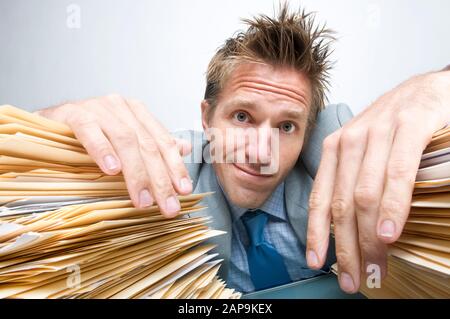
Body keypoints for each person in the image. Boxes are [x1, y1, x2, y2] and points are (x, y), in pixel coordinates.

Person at [35, 5, 450, 294]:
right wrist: (54, 122)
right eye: (242, 118)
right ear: (206, 118)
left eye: (287, 126)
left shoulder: (343, 171)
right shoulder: (171, 169)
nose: (261, 151)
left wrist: (436, 86)